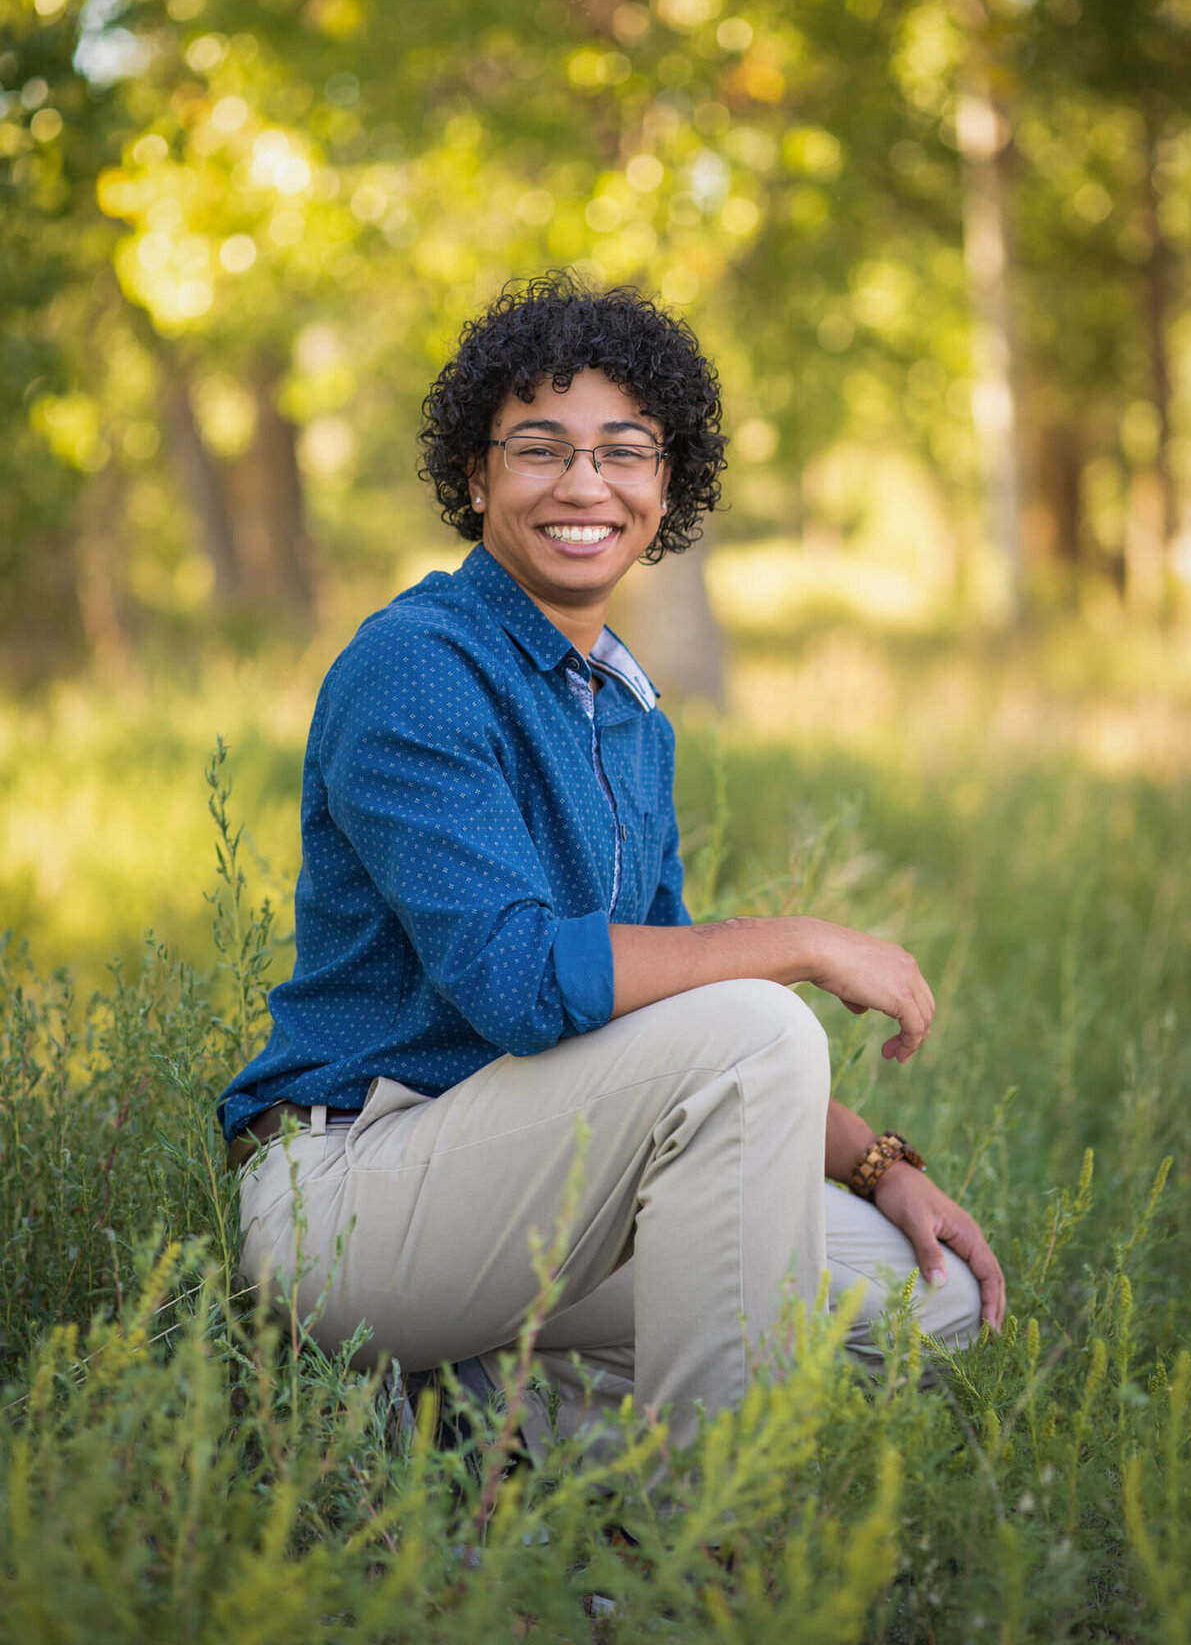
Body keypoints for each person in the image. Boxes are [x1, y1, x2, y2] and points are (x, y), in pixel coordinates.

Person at [220, 273, 1004, 1458]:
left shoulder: (627, 709)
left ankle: (477, 1409)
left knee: (928, 1296)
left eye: (623, 452)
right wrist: (799, 940)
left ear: (665, 486)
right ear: (476, 478)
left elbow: (670, 1009)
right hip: (355, 1203)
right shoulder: (416, 665)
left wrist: (879, 1163)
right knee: (760, 1021)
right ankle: (686, 1548)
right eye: (539, 449)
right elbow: (525, 983)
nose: (584, 484)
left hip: (530, 1193)